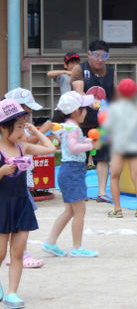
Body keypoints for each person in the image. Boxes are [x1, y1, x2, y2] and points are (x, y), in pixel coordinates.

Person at [0, 99, 55, 308]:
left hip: (22, 205)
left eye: (24, 126)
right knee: (1, 252)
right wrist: (2, 172)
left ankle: (12, 293)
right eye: (19, 127)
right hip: (2, 206)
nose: (23, 131)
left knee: (17, 252)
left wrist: (36, 130)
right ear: (4, 128)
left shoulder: (23, 147)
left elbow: (49, 148)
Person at [42, 91, 100, 259]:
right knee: (79, 211)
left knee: (69, 210)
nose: (87, 111)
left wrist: (90, 142)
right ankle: (77, 247)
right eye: (84, 108)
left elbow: (71, 145)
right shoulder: (72, 127)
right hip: (73, 171)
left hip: (69, 171)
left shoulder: (67, 126)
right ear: (76, 111)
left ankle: (51, 242)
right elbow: (74, 147)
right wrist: (91, 145)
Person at [3, 88, 51, 269]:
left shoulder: (18, 126)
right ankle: (19, 254)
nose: (29, 114)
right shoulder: (11, 127)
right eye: (27, 110)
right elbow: (24, 143)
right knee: (22, 215)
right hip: (11, 185)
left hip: (19, 180)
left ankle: (19, 253)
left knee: (22, 216)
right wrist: (42, 131)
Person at [70, 40, 116, 203]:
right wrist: (92, 101)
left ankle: (102, 192)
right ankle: (80, 191)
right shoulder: (79, 69)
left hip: (103, 124)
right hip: (82, 123)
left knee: (103, 157)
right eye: (96, 55)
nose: (100, 59)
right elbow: (79, 90)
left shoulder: (110, 72)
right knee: (81, 158)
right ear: (89, 54)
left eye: (104, 56)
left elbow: (115, 96)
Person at [102, 79, 137, 218]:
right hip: (132, 144)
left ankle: (117, 209)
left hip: (119, 145)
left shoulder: (114, 108)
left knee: (114, 177)